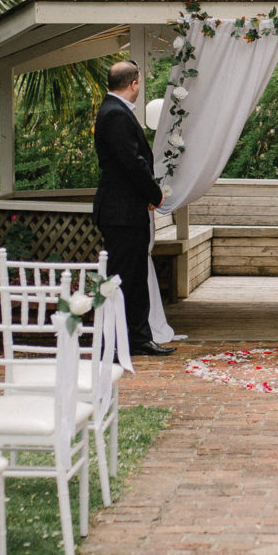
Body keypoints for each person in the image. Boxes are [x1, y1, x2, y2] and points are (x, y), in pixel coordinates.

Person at [94, 61, 172, 356]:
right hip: (120, 212)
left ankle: (137, 338)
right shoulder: (115, 114)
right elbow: (132, 163)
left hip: (127, 209)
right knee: (123, 278)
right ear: (134, 83)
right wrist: (155, 193)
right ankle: (118, 343)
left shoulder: (113, 111)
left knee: (134, 278)